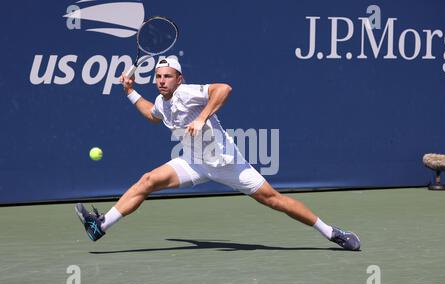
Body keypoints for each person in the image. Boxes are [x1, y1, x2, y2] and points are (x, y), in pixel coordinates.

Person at [75, 56, 360, 251]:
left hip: (226, 163)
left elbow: (224, 89)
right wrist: (130, 92)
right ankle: (100, 226)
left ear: (179, 79)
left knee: (275, 200)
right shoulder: (164, 102)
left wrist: (202, 118)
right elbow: (153, 115)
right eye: (159, 77)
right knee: (148, 180)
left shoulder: (187, 92)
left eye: (167, 77)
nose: (162, 81)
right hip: (193, 162)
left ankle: (332, 233)